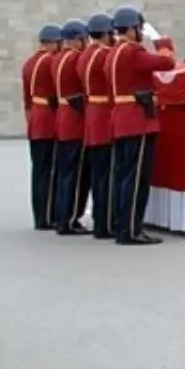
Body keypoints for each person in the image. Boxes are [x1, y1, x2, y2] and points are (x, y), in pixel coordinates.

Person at [105, 7, 177, 245]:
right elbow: (167, 62)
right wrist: (162, 42)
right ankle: (131, 230)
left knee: (123, 177)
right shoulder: (132, 52)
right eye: (138, 29)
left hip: (120, 117)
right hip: (138, 119)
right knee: (137, 179)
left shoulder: (113, 53)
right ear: (132, 29)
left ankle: (121, 225)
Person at [78, 13, 115, 238]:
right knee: (106, 174)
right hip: (104, 116)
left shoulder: (85, 55)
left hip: (92, 114)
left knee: (98, 174)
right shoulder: (105, 55)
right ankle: (105, 223)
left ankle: (101, 221)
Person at [22, 24, 63, 231]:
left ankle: (40, 215)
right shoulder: (51, 61)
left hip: (35, 118)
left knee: (39, 171)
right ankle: (48, 215)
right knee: (49, 169)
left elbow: (26, 99)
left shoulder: (30, 62)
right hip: (48, 117)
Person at [53, 19, 91, 236]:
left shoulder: (57, 58)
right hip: (75, 119)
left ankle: (61, 216)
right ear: (78, 40)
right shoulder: (76, 58)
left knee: (65, 173)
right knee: (76, 176)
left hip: (62, 117)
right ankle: (69, 218)